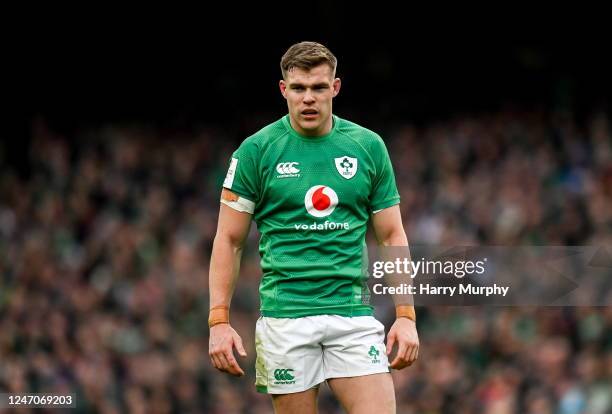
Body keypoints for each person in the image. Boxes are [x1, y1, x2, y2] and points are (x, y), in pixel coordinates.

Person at [208, 41, 419, 414]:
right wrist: (218, 321)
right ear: (283, 89)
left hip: (351, 314)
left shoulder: (368, 147)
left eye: (319, 88)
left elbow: (391, 235)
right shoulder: (255, 152)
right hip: (285, 318)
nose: (309, 98)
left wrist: (406, 316)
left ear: (335, 88)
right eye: (299, 88)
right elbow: (228, 239)